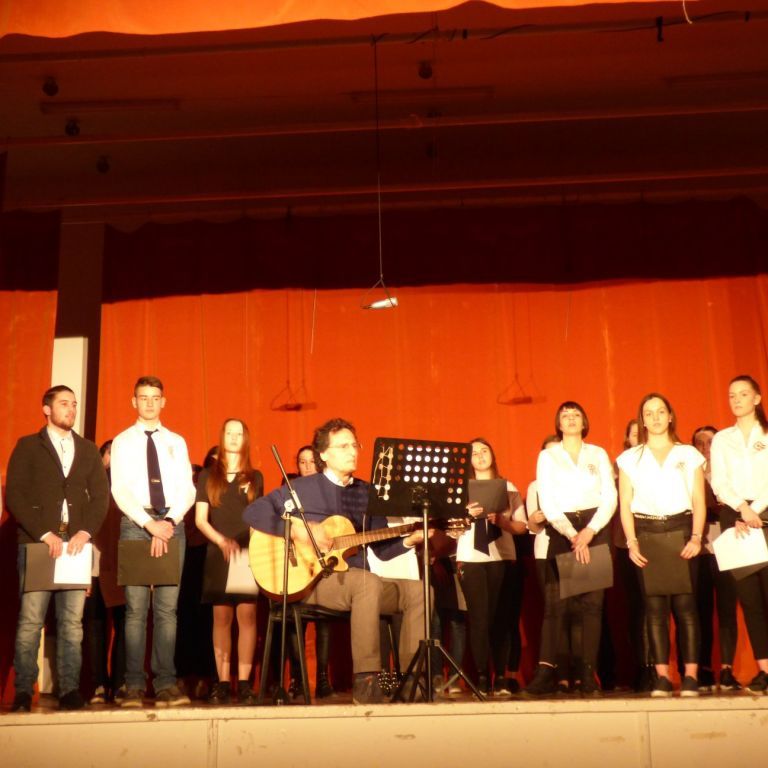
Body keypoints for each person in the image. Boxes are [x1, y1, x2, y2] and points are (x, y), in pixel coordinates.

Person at [244, 417, 425, 704]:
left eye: (354, 445)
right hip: (312, 581)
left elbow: (381, 549)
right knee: (367, 583)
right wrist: (299, 529)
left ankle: (412, 680)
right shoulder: (302, 488)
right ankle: (367, 681)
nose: (352, 451)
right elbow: (253, 513)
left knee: (419, 591)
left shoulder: (366, 492)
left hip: (358, 583)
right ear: (324, 454)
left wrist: (410, 539)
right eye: (343, 446)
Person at [7, 385, 109, 712]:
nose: (71, 409)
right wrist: (43, 533)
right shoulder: (28, 446)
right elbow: (15, 494)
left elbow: (101, 497)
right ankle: (24, 691)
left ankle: (69, 690)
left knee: (71, 624)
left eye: (74, 404)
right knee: (30, 621)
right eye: (64, 403)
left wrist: (85, 532)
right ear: (46, 409)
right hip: (38, 543)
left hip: (75, 546)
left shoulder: (88, 449)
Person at [110, 375, 196, 707]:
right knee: (135, 610)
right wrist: (149, 524)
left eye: (155, 397)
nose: (149, 403)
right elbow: (120, 490)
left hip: (172, 525)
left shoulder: (177, 441)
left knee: (167, 610)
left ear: (163, 401)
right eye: (143, 397)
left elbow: (187, 489)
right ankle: (133, 684)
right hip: (137, 524)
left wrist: (169, 522)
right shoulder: (122, 441)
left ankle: (165, 683)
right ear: (134, 401)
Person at [524, 402, 617, 697]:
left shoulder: (597, 453)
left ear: (585, 421)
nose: (571, 419)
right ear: (558, 424)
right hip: (562, 528)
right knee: (556, 607)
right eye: (565, 415)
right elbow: (548, 500)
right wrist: (572, 534)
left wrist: (590, 531)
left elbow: (610, 497)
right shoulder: (548, 456)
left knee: (592, 607)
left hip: (594, 528)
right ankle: (545, 674)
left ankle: (588, 675)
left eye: (576, 414)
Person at [617, 392, 705, 697]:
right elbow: (625, 503)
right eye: (648, 413)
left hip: (682, 530)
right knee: (654, 609)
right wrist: (631, 542)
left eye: (660, 411)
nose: (655, 418)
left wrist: (696, 537)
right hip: (647, 531)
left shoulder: (688, 454)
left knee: (686, 607)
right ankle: (662, 677)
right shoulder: (630, 458)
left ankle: (690, 676)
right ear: (642, 420)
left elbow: (698, 499)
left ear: (670, 416)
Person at [195, 419, 263, 705]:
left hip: (246, 553)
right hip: (219, 553)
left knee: (247, 616)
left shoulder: (255, 477)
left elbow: (258, 519)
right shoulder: (207, 477)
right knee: (221, 618)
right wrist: (222, 541)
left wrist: (251, 548)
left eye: (239, 433)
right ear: (222, 437)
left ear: (245, 439)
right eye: (229, 433)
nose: (234, 438)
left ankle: (244, 682)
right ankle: (223, 682)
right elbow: (200, 520)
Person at [710, 374, 768, 693]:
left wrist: (754, 509)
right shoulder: (722, 439)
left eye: (743, 394)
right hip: (735, 517)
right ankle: (765, 669)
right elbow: (719, 481)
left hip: (763, 514)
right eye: (732, 395)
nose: (736, 400)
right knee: (750, 600)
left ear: (757, 398)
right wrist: (742, 508)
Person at [456, 438, 526, 695]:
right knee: (479, 618)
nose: (480, 455)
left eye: (484, 450)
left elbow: (521, 526)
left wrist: (502, 522)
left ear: (493, 455)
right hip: (471, 557)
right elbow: (450, 529)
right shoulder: (460, 490)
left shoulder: (508, 487)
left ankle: (501, 677)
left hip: (501, 556)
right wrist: (466, 516)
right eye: (474, 453)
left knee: (501, 618)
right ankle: (482, 676)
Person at [689, 425, 740, 692]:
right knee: (700, 609)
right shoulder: (689, 472)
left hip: (727, 544)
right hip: (699, 549)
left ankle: (727, 669)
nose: (705, 447)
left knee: (727, 608)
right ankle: (704, 669)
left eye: (710, 442)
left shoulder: (729, 471)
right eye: (699, 443)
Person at [85, 439, 127, 704]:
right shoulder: (90, 485)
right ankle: (99, 683)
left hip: (122, 564)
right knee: (95, 624)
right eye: (110, 452)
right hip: (93, 564)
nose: (114, 458)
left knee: (125, 624)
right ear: (102, 457)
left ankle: (121, 682)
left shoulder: (128, 487)